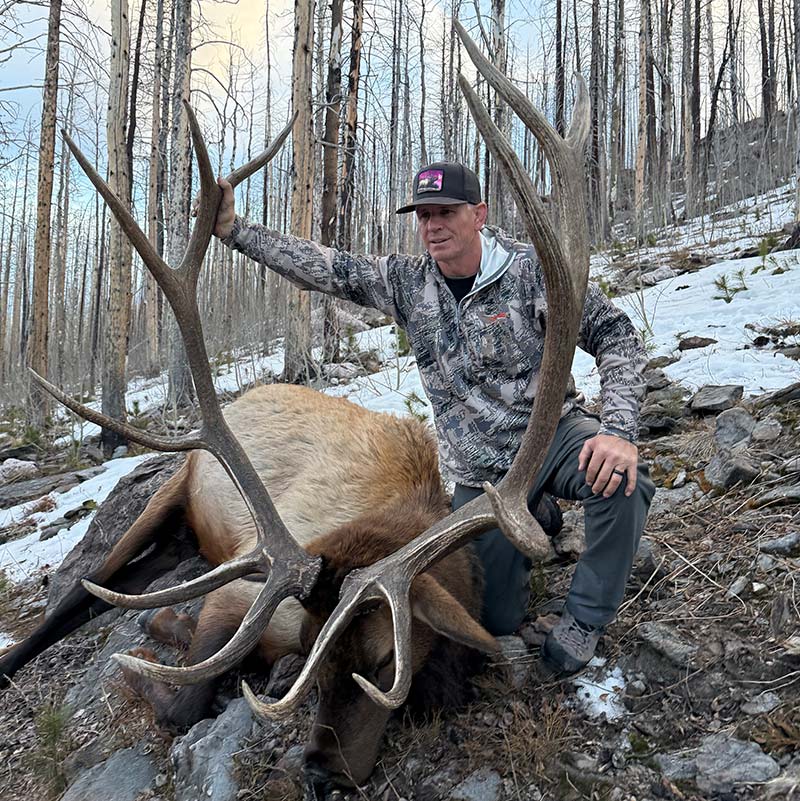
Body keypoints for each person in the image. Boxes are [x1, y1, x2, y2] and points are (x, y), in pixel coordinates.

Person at [212, 161, 655, 675]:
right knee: (493, 620)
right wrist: (236, 232)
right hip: (478, 477)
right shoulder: (408, 283)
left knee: (624, 482)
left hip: (549, 437)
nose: (433, 226)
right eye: (423, 215)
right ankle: (536, 515)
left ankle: (583, 618)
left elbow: (617, 335)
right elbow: (326, 268)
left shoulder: (535, 270)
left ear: (480, 215)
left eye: (446, 212)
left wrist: (618, 430)